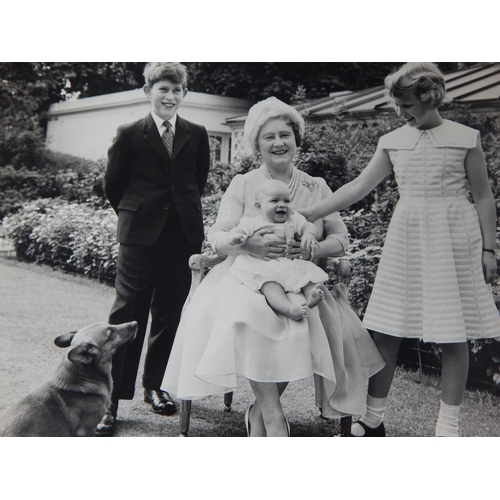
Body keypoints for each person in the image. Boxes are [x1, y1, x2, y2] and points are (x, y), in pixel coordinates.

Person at [161, 96, 385, 436]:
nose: (278, 143)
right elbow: (218, 233)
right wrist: (247, 243)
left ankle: (258, 412)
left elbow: (341, 239)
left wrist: (312, 250)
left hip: (301, 278)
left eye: (285, 134)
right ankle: (273, 414)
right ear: (257, 144)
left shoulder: (316, 186)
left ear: (297, 139)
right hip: (245, 277)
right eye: (269, 137)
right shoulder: (245, 183)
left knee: (305, 315)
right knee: (250, 312)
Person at [299, 62, 500, 437]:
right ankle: (373, 418)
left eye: (405, 103)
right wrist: (309, 211)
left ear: (429, 96)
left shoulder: (465, 137)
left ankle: (447, 427)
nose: (399, 111)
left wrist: (490, 250)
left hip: (454, 237)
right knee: (388, 329)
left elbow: (484, 197)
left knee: (453, 332)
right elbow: (358, 188)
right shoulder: (392, 142)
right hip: (407, 236)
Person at [96, 62, 210, 436]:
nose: (170, 96)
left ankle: (154, 386)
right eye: (163, 89)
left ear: (184, 95)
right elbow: (113, 186)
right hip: (139, 237)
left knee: (169, 313)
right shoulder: (129, 133)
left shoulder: (197, 133)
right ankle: (109, 399)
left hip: (182, 236)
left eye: (177, 90)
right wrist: (139, 217)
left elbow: (197, 182)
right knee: (127, 314)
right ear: (148, 91)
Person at [228, 179, 327, 321]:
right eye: (274, 201)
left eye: (287, 201)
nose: (282, 205)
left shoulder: (294, 219)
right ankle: (290, 309)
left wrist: (309, 234)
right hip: (264, 265)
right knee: (270, 285)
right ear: (259, 206)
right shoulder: (254, 222)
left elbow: (309, 226)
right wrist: (237, 238)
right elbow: (237, 231)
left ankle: (312, 295)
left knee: (308, 275)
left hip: (289, 263)